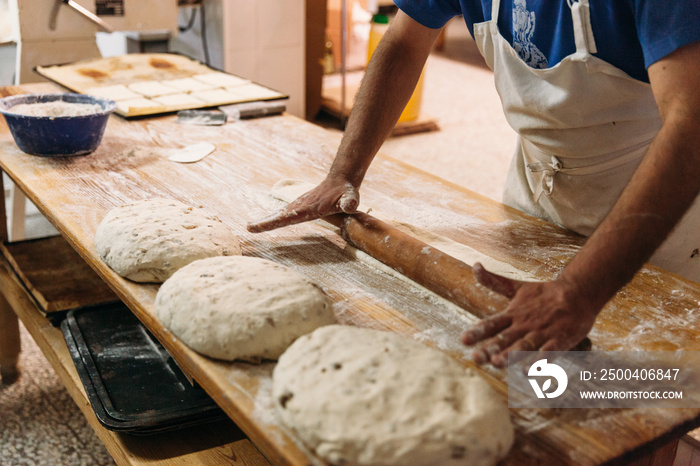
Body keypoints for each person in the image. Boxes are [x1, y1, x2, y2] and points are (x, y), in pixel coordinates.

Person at [248, 0, 700, 367]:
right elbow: (405, 41)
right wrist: (343, 173)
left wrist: (580, 290)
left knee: (630, 394)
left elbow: (691, 123)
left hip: (653, 219)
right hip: (538, 193)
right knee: (529, 381)